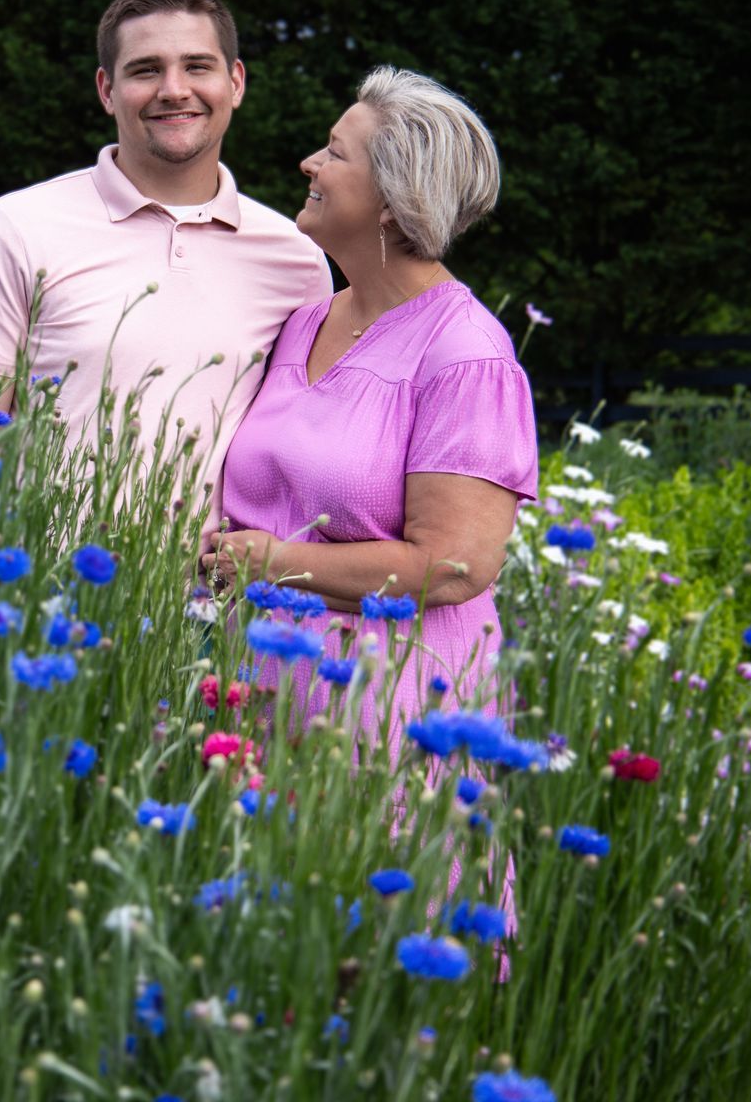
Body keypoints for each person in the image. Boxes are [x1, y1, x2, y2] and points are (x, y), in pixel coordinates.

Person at [201, 66, 539, 929]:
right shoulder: (310, 319)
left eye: (335, 153)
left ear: (391, 199)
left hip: (390, 709)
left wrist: (273, 563)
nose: (311, 162)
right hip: (265, 687)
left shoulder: (467, 353)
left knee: (384, 944)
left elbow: (455, 564)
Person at [0, 0, 331, 490]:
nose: (173, 89)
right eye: (146, 70)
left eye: (197, 66)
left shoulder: (295, 258)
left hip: (216, 573)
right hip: (39, 569)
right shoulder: (17, 228)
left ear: (235, 82)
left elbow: (304, 448)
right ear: (107, 90)